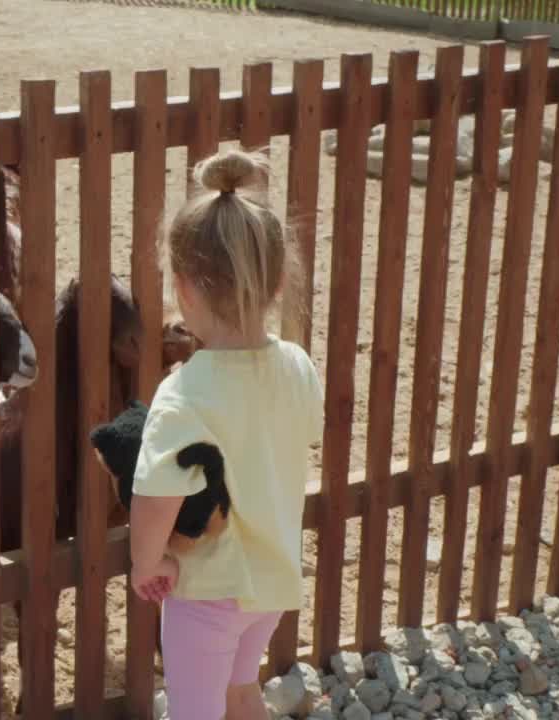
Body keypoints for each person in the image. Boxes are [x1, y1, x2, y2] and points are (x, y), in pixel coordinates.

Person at [128, 149, 325, 720]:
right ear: (276, 281)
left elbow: (155, 495)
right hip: (271, 581)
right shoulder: (296, 365)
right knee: (242, 694)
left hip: (208, 591)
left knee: (195, 710)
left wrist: (147, 563)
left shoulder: (184, 392)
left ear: (184, 289)